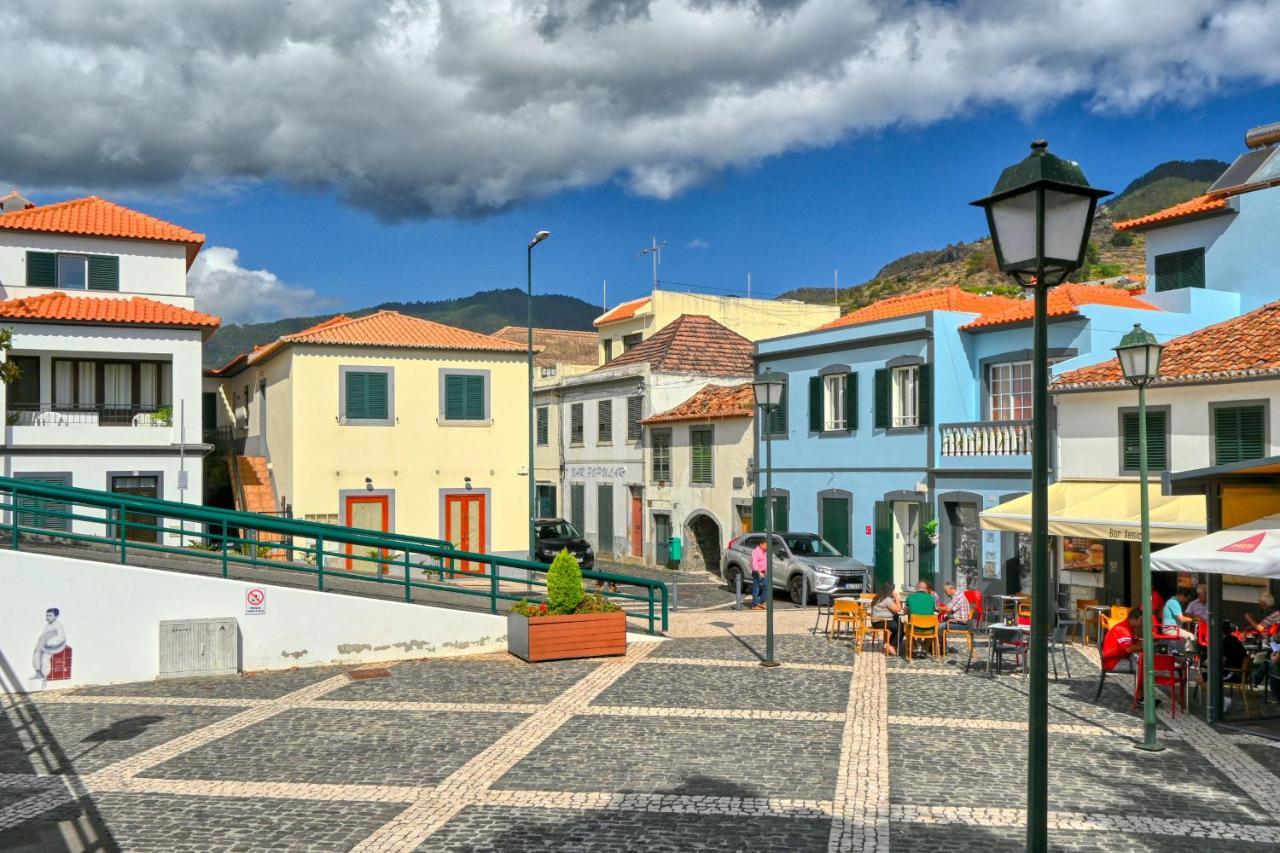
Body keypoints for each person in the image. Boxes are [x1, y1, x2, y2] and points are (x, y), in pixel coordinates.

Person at [31, 607, 67, 687]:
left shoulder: (59, 626)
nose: (47, 617)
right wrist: (40, 645)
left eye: (50, 615)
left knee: (45, 658)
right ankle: (38, 673)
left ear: (55, 616)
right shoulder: (48, 624)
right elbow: (45, 635)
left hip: (55, 646)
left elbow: (60, 638)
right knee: (36, 654)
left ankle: (44, 678)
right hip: (46, 644)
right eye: (47, 615)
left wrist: (49, 643)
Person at [1101, 607, 1143, 673]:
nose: (1142, 623)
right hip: (1114, 662)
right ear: (1133, 619)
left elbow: (1135, 642)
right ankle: (1142, 683)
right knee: (1143, 668)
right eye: (1141, 620)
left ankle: (1140, 682)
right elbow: (1129, 649)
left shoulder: (1128, 627)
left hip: (1119, 659)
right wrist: (1145, 647)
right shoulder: (1123, 629)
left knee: (1143, 663)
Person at [870, 582, 904, 656]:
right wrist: (896, 597)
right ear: (891, 590)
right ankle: (891, 646)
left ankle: (890, 645)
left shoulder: (878, 597)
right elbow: (898, 609)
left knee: (899, 625)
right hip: (882, 622)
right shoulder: (887, 599)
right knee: (900, 629)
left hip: (876, 622)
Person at [750, 538, 768, 610]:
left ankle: (760, 602)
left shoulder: (764, 552)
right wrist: (759, 572)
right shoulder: (755, 551)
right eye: (765, 545)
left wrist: (765, 571)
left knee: (767, 587)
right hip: (757, 572)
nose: (766, 547)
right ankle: (754, 605)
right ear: (760, 544)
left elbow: (764, 562)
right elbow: (754, 564)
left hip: (763, 572)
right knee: (756, 588)